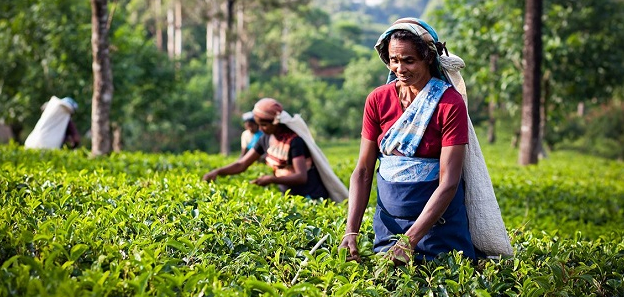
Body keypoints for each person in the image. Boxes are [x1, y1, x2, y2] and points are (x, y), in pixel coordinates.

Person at [339, 18, 505, 265]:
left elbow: (449, 182)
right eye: (394, 60)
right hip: (388, 228)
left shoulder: (449, 104)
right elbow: (363, 171)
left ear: (428, 58)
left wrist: (410, 240)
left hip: (439, 231)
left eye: (409, 60)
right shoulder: (378, 100)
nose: (400, 69)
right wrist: (351, 230)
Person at [203, 98, 348, 202]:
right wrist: (218, 171)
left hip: (311, 197)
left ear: (276, 122)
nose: (260, 129)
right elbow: (242, 164)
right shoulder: (265, 139)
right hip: (289, 196)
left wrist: (272, 179)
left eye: (264, 125)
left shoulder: (294, 141)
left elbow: (301, 176)